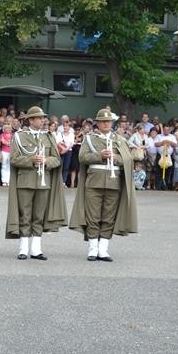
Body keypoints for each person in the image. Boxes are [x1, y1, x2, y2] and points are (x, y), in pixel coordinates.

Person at [69, 109, 138, 262]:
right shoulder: (89, 139)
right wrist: (99, 156)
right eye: (103, 121)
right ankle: (93, 249)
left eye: (109, 121)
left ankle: (103, 249)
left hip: (114, 183)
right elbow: (82, 157)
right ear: (98, 123)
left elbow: (128, 159)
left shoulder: (119, 139)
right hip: (94, 182)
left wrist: (116, 158)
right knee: (93, 216)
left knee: (108, 217)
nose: (106, 124)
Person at [5, 106, 66, 261]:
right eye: (39, 118)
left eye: (43, 117)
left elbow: (57, 159)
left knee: (39, 216)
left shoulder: (48, 136)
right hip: (25, 181)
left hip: (43, 181)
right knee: (25, 215)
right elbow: (13, 159)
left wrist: (46, 161)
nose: (43, 120)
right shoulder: (19, 136)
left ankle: (36, 249)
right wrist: (30, 160)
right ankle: (23, 248)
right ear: (31, 120)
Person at [0, 116, 14, 186]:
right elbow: (2, 141)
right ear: (4, 129)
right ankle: (4, 181)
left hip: (10, 151)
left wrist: (9, 143)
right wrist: (8, 143)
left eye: (9, 128)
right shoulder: (2, 134)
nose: (8, 129)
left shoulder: (12, 135)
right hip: (4, 151)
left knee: (9, 166)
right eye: (6, 128)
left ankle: (8, 180)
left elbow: (14, 142)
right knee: (4, 165)